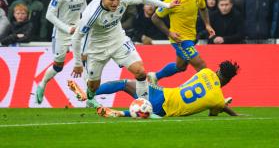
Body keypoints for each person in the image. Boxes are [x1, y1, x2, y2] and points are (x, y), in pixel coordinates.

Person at [71, 0, 179, 105]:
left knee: (140, 71)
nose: (115, 3)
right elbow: (76, 38)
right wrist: (78, 63)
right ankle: (90, 97)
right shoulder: (91, 15)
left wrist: (167, 5)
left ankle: (145, 105)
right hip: (97, 48)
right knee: (93, 86)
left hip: (118, 40)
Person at [69, 60, 240, 117]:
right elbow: (214, 112)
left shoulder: (205, 72)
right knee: (147, 110)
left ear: (217, 70)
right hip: (165, 107)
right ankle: (119, 113)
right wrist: (231, 111)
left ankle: (87, 93)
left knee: (124, 84)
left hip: (164, 92)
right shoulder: (217, 98)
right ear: (229, 80)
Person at [149, 0, 215, 84]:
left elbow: (203, 8)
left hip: (192, 37)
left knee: (181, 67)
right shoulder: (172, 1)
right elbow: (155, 17)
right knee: (201, 65)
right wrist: (169, 33)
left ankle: (154, 76)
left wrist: (207, 24)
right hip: (179, 39)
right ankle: (215, 96)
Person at [35, 0, 88, 104]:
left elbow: (84, 7)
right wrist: (67, 28)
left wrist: (85, 22)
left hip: (78, 31)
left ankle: (90, 97)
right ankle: (42, 84)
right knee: (58, 66)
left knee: (86, 60)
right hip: (61, 32)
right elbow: (49, 15)